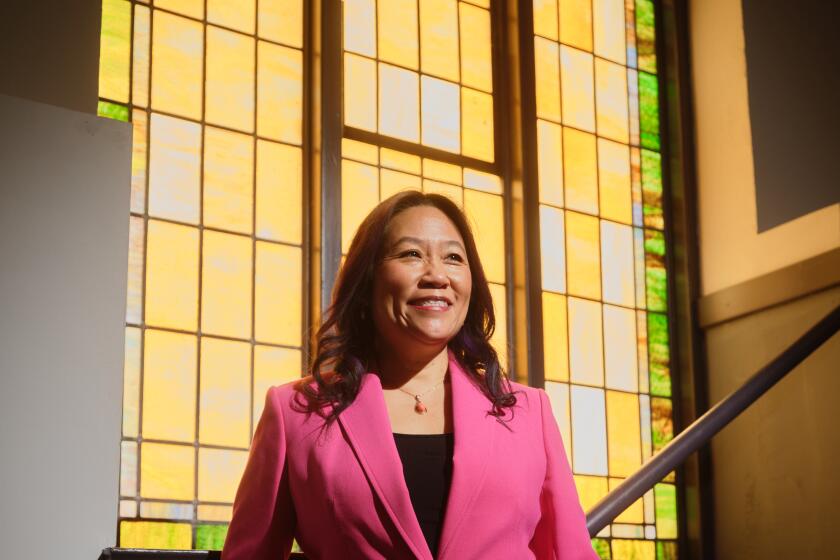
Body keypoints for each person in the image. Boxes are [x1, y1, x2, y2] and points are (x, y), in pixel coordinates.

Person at [221, 191, 597, 559]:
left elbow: (570, 552)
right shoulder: (295, 412)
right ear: (367, 281)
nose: (437, 275)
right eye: (411, 254)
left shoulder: (530, 412)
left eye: (453, 257)